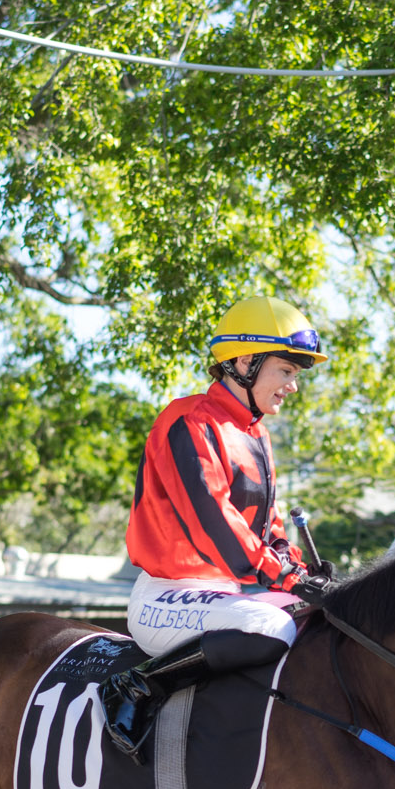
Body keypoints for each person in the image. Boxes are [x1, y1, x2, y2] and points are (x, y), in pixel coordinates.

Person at [101, 294, 332, 760]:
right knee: (272, 627)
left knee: (323, 622)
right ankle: (139, 685)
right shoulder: (187, 421)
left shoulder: (256, 434)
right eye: (286, 371)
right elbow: (218, 527)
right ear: (245, 361)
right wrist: (287, 579)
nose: (292, 385)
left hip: (224, 597)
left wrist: (300, 569)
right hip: (166, 597)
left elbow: (268, 526)